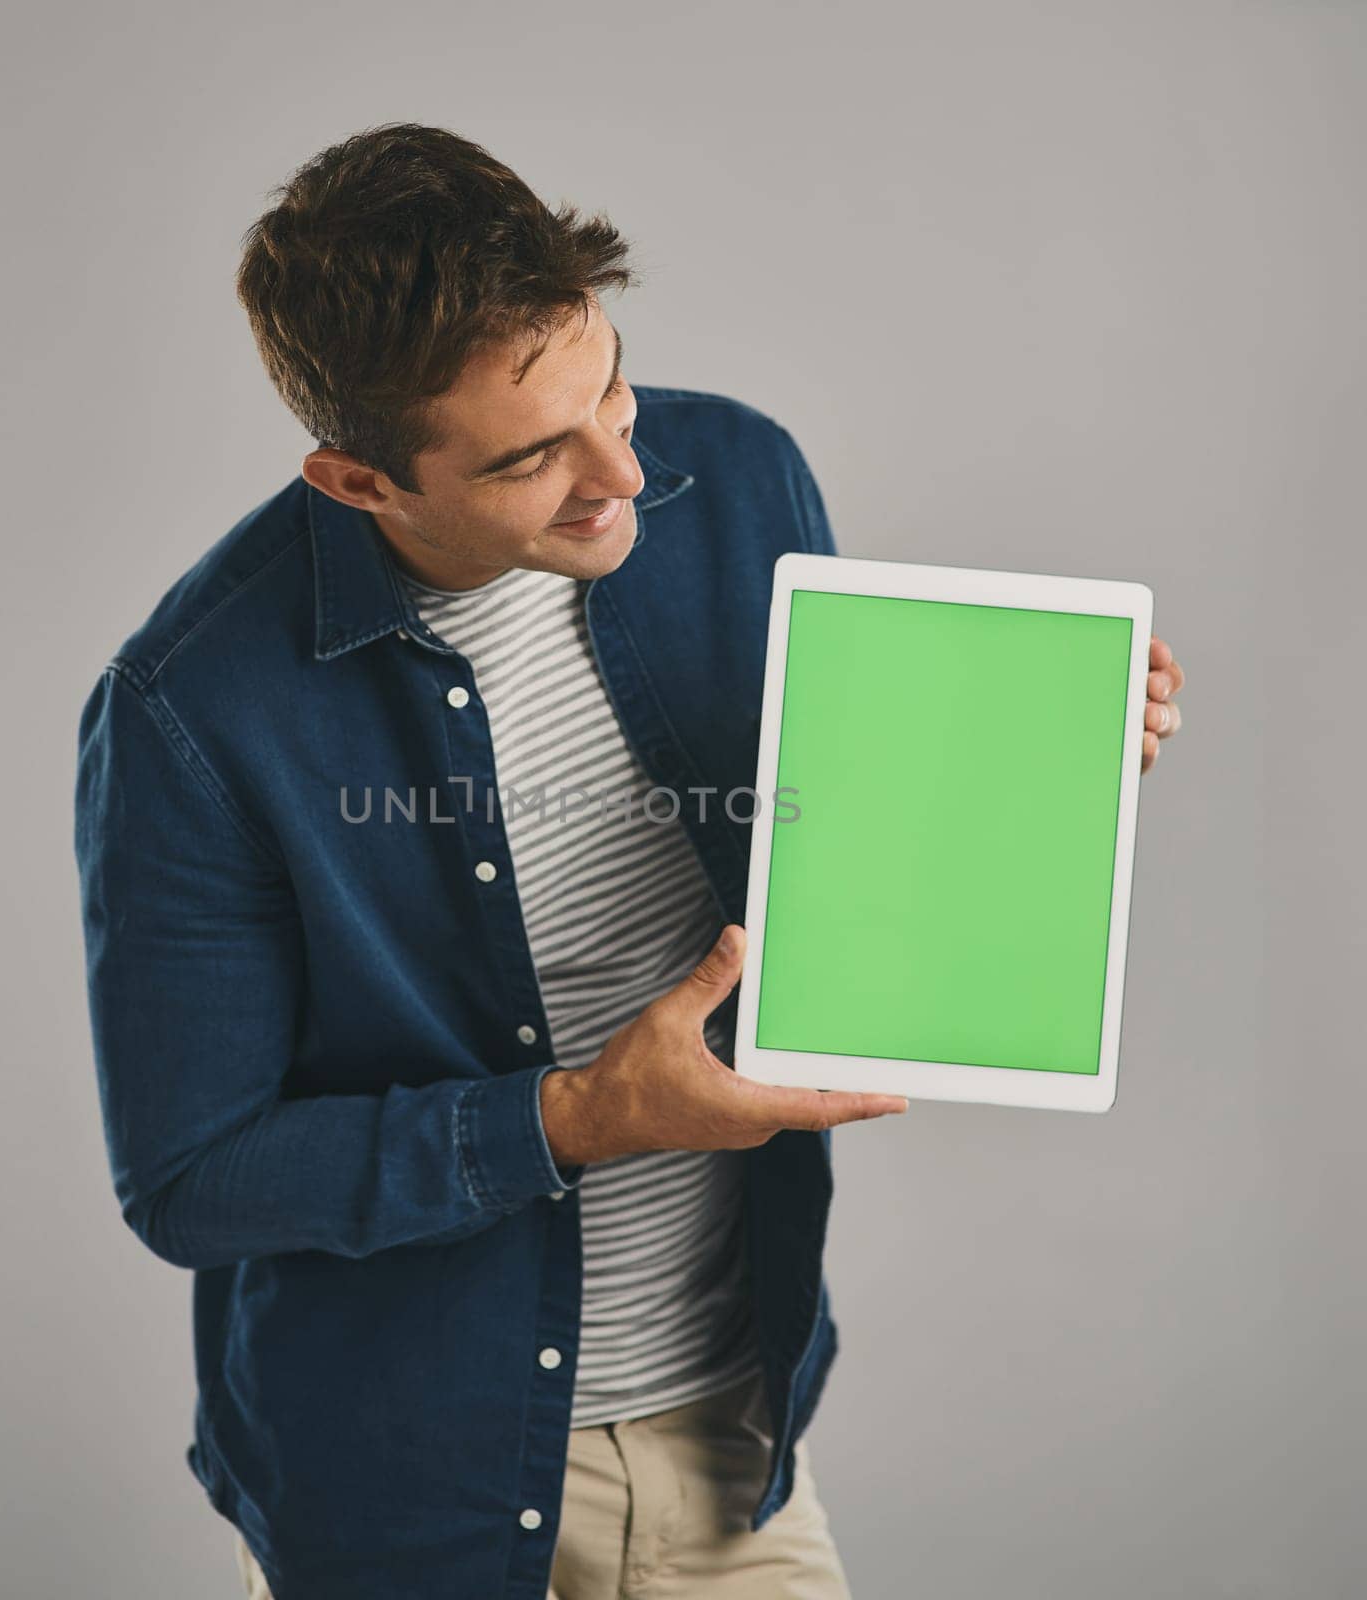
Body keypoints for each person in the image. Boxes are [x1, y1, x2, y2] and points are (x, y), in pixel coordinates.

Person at [73, 121, 1184, 1600]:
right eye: (535, 456)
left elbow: (827, 844)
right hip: (406, 1496)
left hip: (731, 1434)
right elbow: (192, 1179)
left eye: (614, 386)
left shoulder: (740, 475)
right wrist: (573, 1118)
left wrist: (1020, 772)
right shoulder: (189, 710)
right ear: (358, 482)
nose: (623, 475)